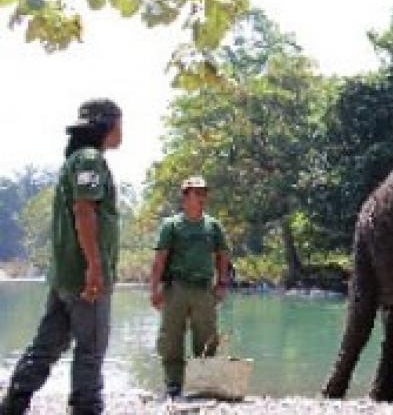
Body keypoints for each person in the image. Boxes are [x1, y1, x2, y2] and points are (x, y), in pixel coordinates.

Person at [0, 99, 123, 415]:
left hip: (64, 276)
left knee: (47, 346)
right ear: (107, 125)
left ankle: (14, 403)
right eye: (119, 123)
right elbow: (84, 211)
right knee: (90, 351)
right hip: (84, 276)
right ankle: (85, 409)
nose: (122, 130)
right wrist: (95, 267)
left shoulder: (76, 160)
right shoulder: (89, 159)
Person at [149, 175, 230, 399]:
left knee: (206, 338)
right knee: (171, 337)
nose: (203, 197)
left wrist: (222, 283)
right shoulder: (171, 225)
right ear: (185, 196)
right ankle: (174, 385)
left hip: (204, 289)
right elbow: (160, 260)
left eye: (204, 192)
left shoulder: (213, 226)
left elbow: (223, 256)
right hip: (176, 288)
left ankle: (203, 383)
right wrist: (154, 290)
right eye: (197, 192)